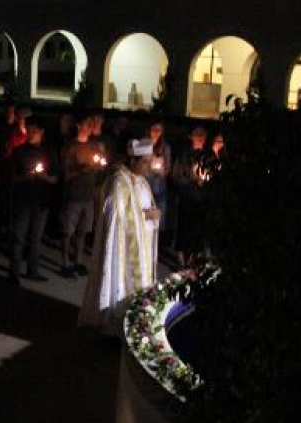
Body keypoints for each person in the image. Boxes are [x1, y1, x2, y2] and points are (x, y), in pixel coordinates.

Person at [77, 142, 160, 335]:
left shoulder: (141, 181)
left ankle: (136, 324)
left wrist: (153, 214)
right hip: (123, 249)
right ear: (134, 160)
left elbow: (145, 206)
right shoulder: (118, 181)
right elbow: (114, 216)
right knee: (121, 284)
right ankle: (115, 324)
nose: (149, 167)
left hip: (143, 247)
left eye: (150, 162)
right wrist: (145, 217)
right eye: (145, 163)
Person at [8, 117, 58, 284]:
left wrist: (44, 177)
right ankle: (14, 274)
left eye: (34, 131)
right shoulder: (19, 151)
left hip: (41, 201)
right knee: (19, 237)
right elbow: (11, 177)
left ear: (42, 132)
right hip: (23, 200)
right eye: (28, 131)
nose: (31, 134)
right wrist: (25, 177)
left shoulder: (49, 152)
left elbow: (55, 179)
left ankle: (32, 271)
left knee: (36, 238)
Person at [59, 110, 108, 279]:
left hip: (88, 195)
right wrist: (82, 169)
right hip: (73, 195)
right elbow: (65, 174)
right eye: (88, 124)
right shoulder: (70, 147)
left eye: (92, 125)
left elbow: (102, 162)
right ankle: (65, 263)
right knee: (68, 231)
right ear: (79, 125)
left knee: (83, 231)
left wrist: (100, 165)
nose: (91, 127)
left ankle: (77, 261)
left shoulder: (93, 146)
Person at [172, 126, 211, 266]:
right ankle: (181, 253)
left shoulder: (207, 156)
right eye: (197, 135)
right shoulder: (184, 154)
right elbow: (176, 174)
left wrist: (205, 180)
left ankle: (195, 254)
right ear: (191, 137)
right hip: (186, 195)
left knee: (198, 227)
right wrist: (190, 179)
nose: (199, 138)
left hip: (201, 196)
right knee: (184, 226)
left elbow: (211, 173)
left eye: (202, 135)